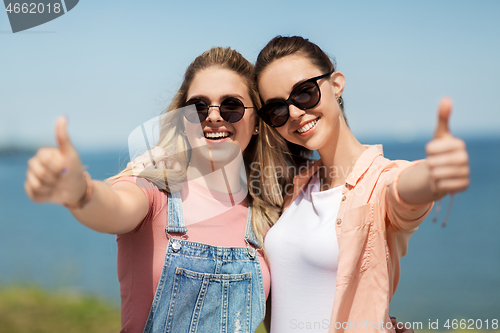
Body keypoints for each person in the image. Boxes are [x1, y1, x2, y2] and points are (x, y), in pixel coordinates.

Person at [23, 47, 292, 333]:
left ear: (257, 126)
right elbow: (113, 207)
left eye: (231, 106)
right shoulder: (153, 188)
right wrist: (81, 193)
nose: (213, 117)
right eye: (198, 107)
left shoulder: (266, 219)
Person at [254, 36, 470, 333]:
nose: (293, 113)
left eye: (304, 93)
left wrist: (434, 175)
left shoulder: (378, 182)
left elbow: (403, 190)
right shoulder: (299, 186)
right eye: (276, 109)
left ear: (337, 84)